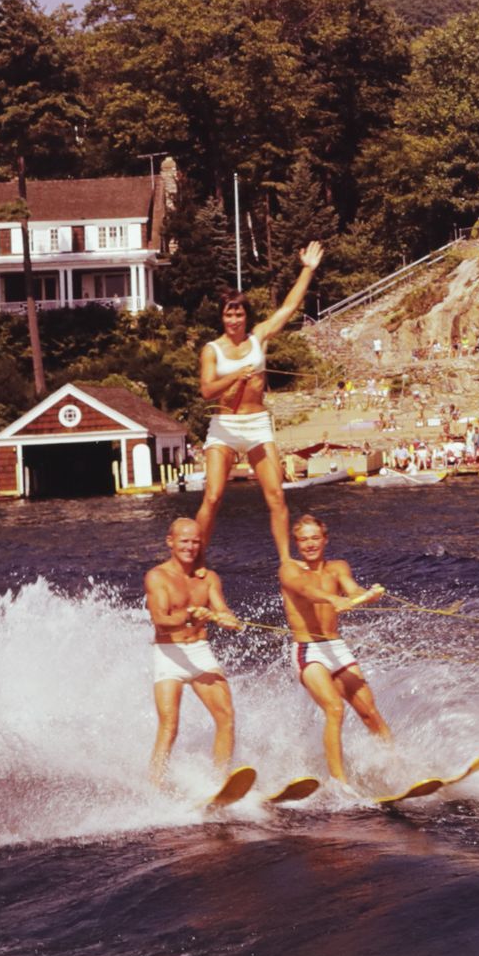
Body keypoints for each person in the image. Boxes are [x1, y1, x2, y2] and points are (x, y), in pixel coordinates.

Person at [195, 241, 324, 563]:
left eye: (239, 313)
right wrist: (236, 375)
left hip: (257, 425)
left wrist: (307, 269)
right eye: (229, 314)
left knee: (277, 494)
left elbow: (288, 307)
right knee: (212, 496)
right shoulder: (212, 349)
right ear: (222, 317)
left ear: (245, 315)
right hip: (224, 427)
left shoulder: (258, 338)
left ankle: (285, 561)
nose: (235, 319)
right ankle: (195, 560)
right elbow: (207, 390)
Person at [279, 513, 391, 784]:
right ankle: (339, 783)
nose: (310, 544)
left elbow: (352, 589)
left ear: (325, 539)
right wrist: (332, 599)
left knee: (369, 711)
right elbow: (307, 591)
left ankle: (393, 766)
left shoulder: (338, 567)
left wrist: (367, 595)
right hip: (308, 651)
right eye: (303, 539)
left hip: (336, 648)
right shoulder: (289, 570)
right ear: (296, 543)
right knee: (334, 708)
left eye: (315, 538)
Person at [146, 517, 242, 789]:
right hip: (169, 653)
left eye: (195, 542)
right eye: (184, 541)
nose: (190, 547)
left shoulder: (209, 578)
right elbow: (161, 619)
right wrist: (188, 616)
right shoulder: (157, 576)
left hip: (199, 652)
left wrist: (227, 619)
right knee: (169, 725)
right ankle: (155, 785)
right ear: (171, 542)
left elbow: (222, 609)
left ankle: (220, 782)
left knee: (226, 715)